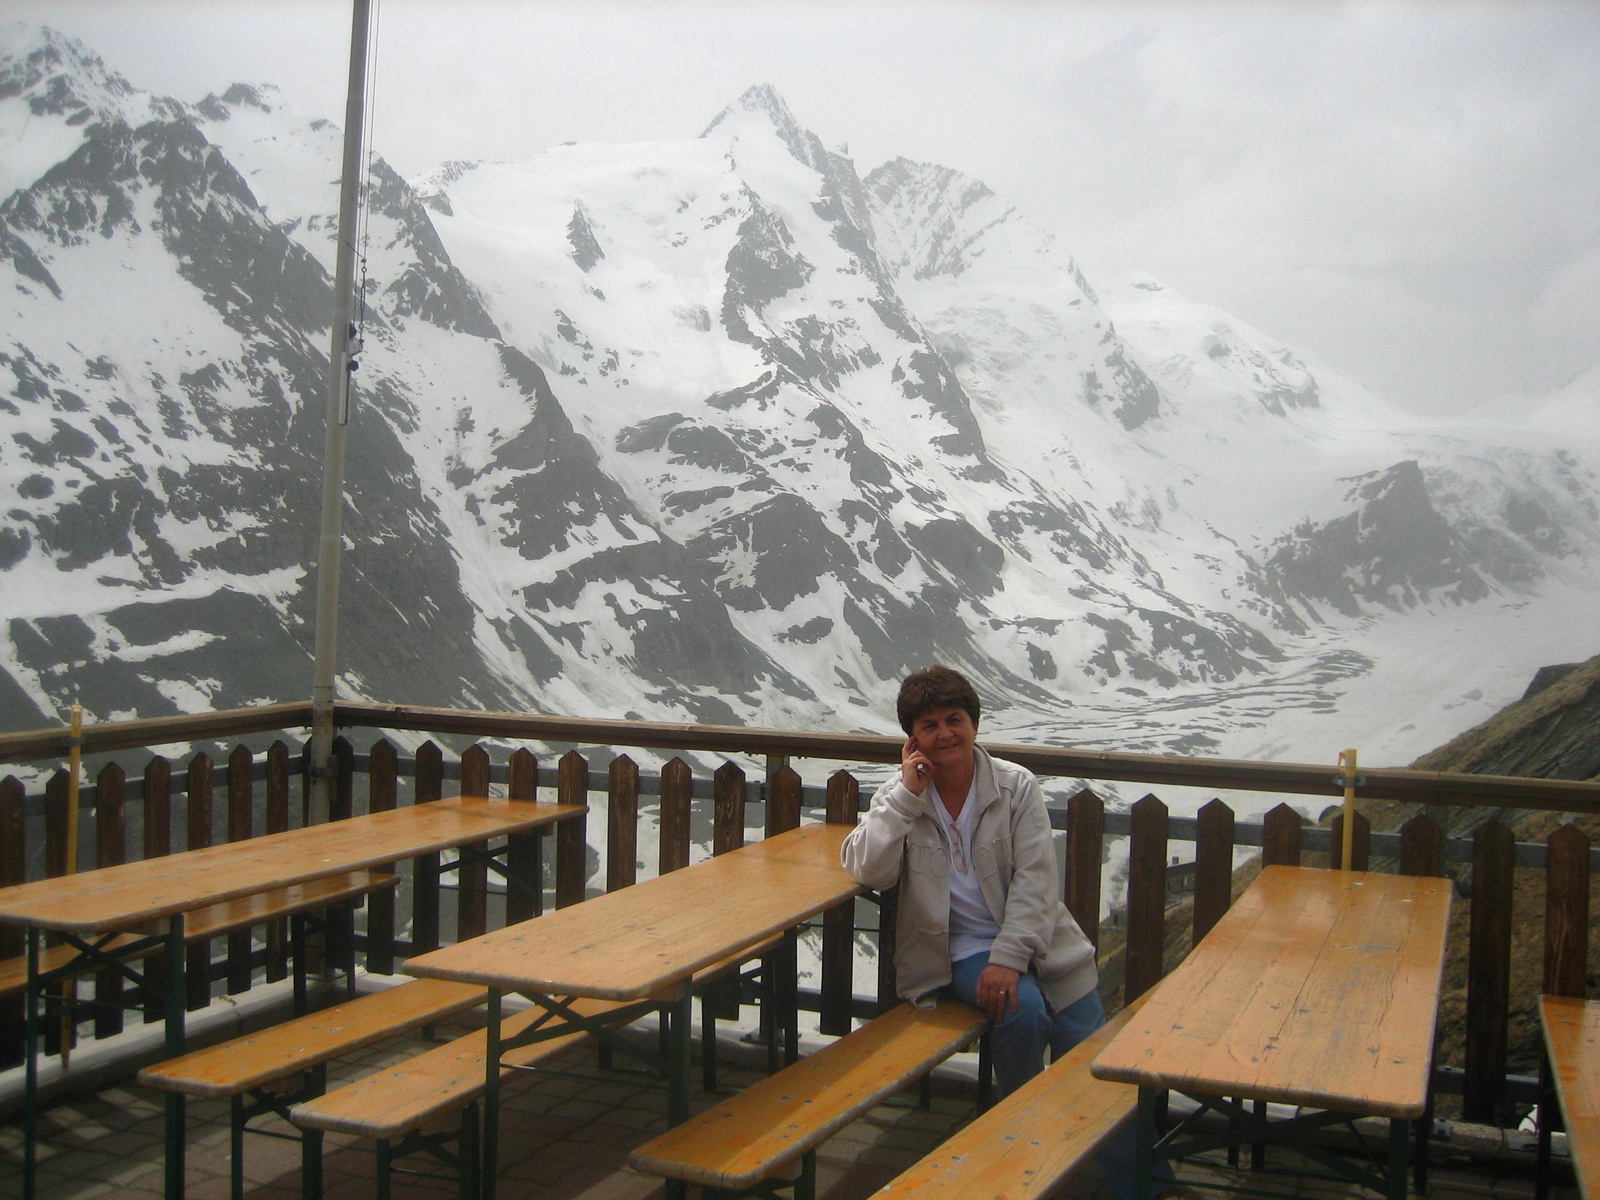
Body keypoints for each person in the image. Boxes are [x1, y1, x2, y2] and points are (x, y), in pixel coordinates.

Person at [840, 664, 1176, 1199]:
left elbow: (1038, 882)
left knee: (1095, 1060)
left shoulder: (1016, 786)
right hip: (956, 952)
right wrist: (906, 794)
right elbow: (869, 871)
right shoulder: (900, 796)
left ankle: (1149, 1189)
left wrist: (1010, 957)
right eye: (929, 725)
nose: (945, 733)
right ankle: (1024, 1153)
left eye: (955, 719)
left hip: (1044, 948)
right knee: (1022, 1011)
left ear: (974, 723)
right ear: (913, 739)